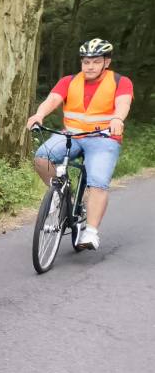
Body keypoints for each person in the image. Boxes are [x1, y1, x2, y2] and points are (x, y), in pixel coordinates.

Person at [26, 38, 133, 251]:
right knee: (41, 157)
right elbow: (52, 100)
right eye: (86, 62)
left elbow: (123, 103)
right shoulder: (69, 81)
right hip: (72, 135)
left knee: (98, 182)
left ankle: (90, 232)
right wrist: (39, 115)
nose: (90, 66)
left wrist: (117, 119)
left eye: (96, 62)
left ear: (106, 62)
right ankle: (62, 195)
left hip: (103, 138)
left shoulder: (121, 81)